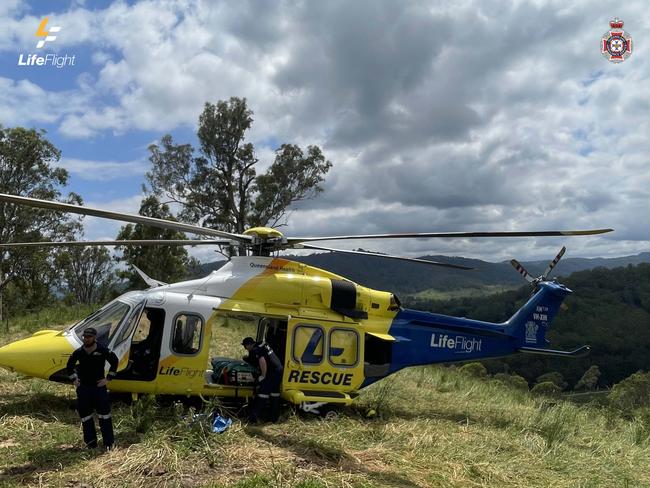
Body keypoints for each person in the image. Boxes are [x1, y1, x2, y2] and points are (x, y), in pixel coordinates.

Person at [66, 326, 119, 450]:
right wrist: (74, 379)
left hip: (98, 388)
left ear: (94, 338)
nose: (86, 339)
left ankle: (108, 444)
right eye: (85, 337)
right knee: (86, 416)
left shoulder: (102, 350)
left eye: (89, 337)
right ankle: (91, 444)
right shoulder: (79, 352)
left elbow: (115, 361)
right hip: (84, 389)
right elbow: (69, 365)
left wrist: (108, 378)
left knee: (104, 415)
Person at [242, 336, 284, 423]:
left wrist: (263, 376)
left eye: (245, 346)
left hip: (271, 372)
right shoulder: (263, 345)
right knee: (274, 394)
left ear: (249, 345)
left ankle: (253, 418)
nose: (245, 349)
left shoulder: (257, 349)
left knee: (263, 394)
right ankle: (273, 419)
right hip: (279, 370)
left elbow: (262, 361)